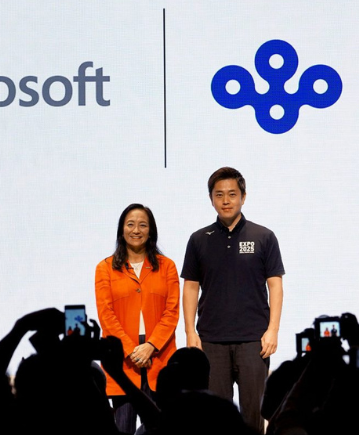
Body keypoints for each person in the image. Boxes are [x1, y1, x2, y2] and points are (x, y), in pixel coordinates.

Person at [181, 166, 285, 434]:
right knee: (215, 420)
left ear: (243, 197)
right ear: (211, 199)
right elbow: (191, 287)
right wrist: (190, 332)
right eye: (219, 195)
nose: (225, 200)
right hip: (211, 341)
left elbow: (275, 285)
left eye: (232, 194)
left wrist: (273, 330)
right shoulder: (198, 239)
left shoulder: (263, 236)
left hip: (254, 341)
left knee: (253, 417)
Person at [95, 203, 180, 434]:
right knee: (122, 429)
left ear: (151, 230)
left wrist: (150, 346)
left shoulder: (167, 267)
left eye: (143, 225)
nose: (136, 230)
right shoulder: (105, 268)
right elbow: (106, 315)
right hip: (123, 359)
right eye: (130, 224)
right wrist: (132, 351)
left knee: (161, 428)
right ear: (121, 229)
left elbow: (172, 312)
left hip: (159, 356)